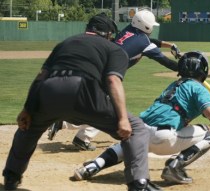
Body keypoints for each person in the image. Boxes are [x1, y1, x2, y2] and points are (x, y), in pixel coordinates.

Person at [2, 14, 162, 191]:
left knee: (28, 128)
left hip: (49, 91)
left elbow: (41, 77)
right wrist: (122, 118)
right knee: (137, 129)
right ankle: (138, 184)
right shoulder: (114, 49)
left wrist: (27, 110)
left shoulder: (64, 44)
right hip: (84, 92)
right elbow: (112, 81)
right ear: (109, 34)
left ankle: (11, 177)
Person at [73, 51, 210, 184]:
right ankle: (174, 167)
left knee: (125, 145)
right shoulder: (199, 89)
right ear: (203, 71)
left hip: (138, 130)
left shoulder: (173, 86)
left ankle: (94, 165)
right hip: (164, 139)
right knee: (207, 134)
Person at [47, 9, 182, 150]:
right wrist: (183, 68)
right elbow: (164, 61)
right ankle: (77, 134)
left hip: (100, 69)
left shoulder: (128, 31)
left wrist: (169, 45)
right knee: (109, 110)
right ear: (146, 26)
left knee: (99, 108)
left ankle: (70, 129)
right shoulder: (144, 42)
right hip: (108, 75)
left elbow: (148, 41)